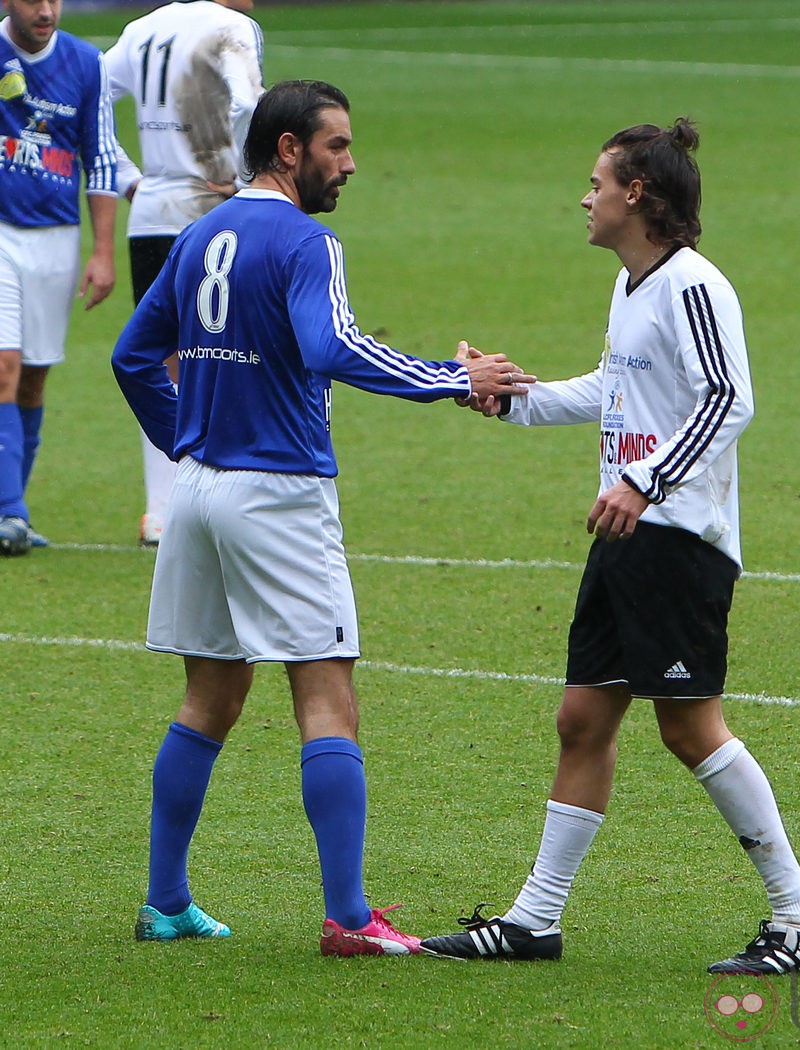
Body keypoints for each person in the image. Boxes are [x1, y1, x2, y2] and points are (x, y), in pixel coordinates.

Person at [111, 79, 534, 956]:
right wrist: (458, 380)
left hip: (197, 494)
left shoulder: (199, 234)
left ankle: (165, 901)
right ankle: (348, 917)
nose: (350, 163)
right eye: (336, 146)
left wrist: (190, 441)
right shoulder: (309, 241)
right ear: (290, 150)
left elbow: (131, 356)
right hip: (280, 494)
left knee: (210, 695)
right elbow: (331, 346)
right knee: (329, 694)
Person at [420, 120, 800, 975]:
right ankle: (535, 920)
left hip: (676, 540)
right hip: (627, 536)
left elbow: (729, 400)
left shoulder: (694, 285)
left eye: (597, 183)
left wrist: (647, 484)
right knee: (582, 720)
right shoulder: (633, 287)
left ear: (636, 194)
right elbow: (614, 391)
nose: (586, 197)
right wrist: (511, 397)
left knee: (688, 729)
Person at [103, 0, 264, 546]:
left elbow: (91, 95)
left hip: (151, 214)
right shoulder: (231, 27)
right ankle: (220, 497)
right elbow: (245, 102)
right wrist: (248, 178)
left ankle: (161, 512)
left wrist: (126, 177)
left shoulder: (143, 27)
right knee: (226, 352)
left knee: (161, 361)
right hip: (215, 214)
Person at [0, 0, 117, 556]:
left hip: (56, 238)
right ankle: (10, 511)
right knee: (4, 363)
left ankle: (9, 509)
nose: (45, 10)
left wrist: (102, 252)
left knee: (33, 378)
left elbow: (100, 160)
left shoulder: (87, 63)